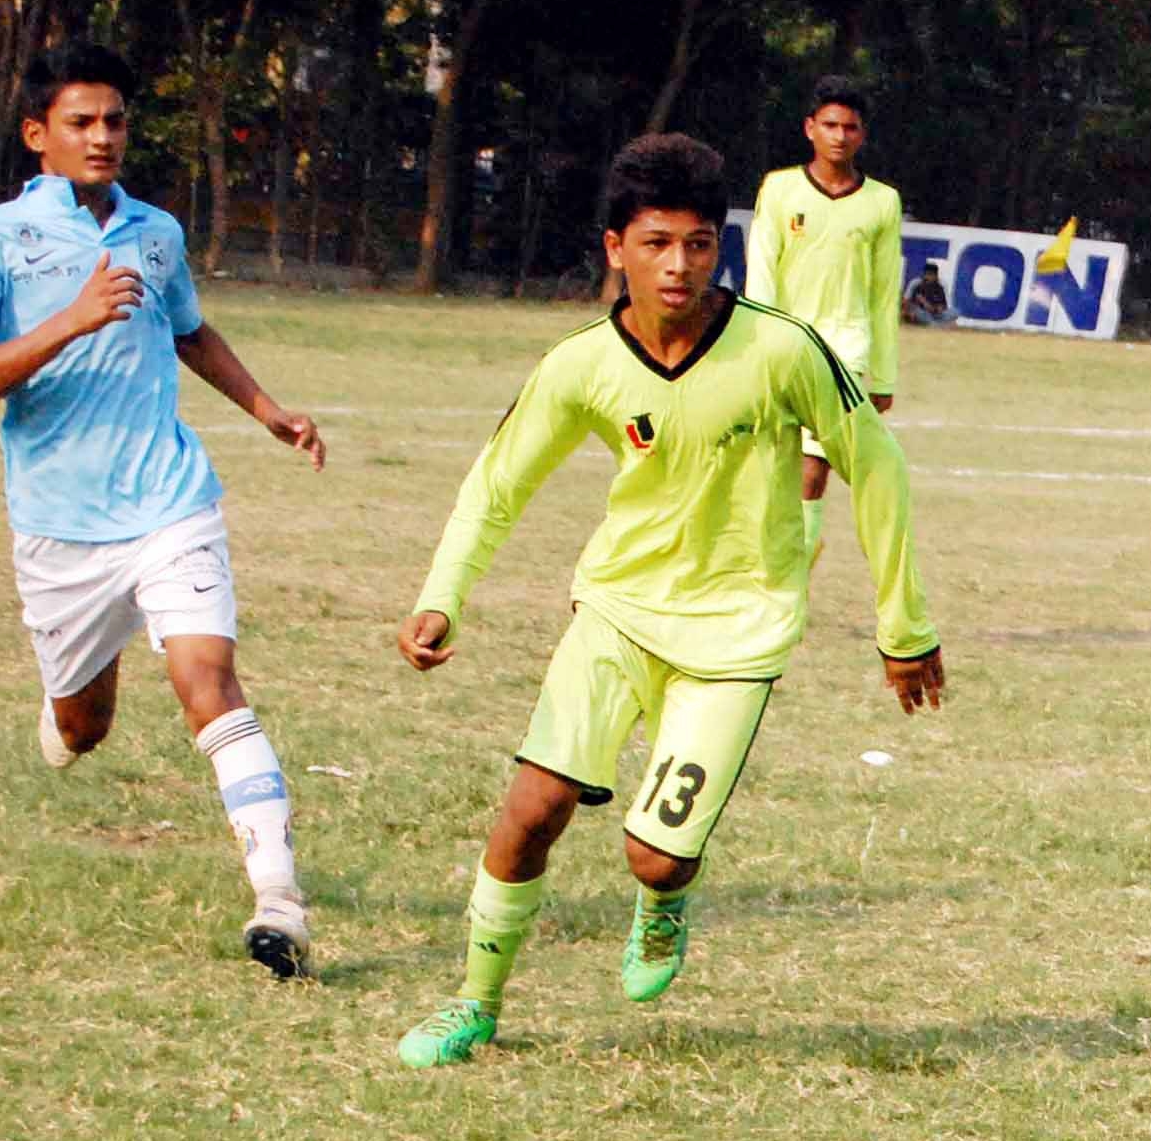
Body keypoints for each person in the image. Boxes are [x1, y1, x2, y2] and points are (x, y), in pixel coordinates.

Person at [391, 132, 945, 1071]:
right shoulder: (581, 365)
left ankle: (663, 897)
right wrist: (442, 595)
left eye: (696, 243)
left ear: (718, 248)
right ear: (615, 248)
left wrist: (905, 628)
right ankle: (474, 1003)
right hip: (616, 611)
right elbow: (498, 484)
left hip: (737, 632)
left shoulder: (781, 350)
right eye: (655, 243)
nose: (678, 265)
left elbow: (876, 467)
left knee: (655, 857)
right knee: (531, 809)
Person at [0, 42, 327, 978]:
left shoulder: (156, 231)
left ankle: (279, 897)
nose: (102, 136)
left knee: (210, 680)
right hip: (59, 527)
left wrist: (266, 408)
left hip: (169, 500)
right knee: (84, 730)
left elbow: (187, 329)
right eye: (80, 122)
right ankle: (70, 696)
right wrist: (68, 319)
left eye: (114, 120)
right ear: (38, 136)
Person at [745, 76, 904, 566]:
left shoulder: (882, 202)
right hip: (783, 346)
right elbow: (761, 271)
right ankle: (775, 553)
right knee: (774, 467)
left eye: (850, 127)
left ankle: (794, 569)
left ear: (863, 135)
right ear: (809, 128)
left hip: (845, 352)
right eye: (830, 125)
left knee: (814, 471)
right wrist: (757, 346)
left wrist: (883, 374)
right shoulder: (779, 188)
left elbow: (882, 293)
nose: (840, 136)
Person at [902, 262, 952, 326]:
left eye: (930, 275)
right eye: (925, 274)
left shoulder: (941, 285)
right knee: (919, 313)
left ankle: (935, 323)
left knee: (954, 312)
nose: (927, 277)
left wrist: (935, 308)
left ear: (936, 276)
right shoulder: (915, 283)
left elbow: (944, 306)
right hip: (919, 312)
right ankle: (934, 324)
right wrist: (909, 310)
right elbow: (905, 301)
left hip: (934, 314)